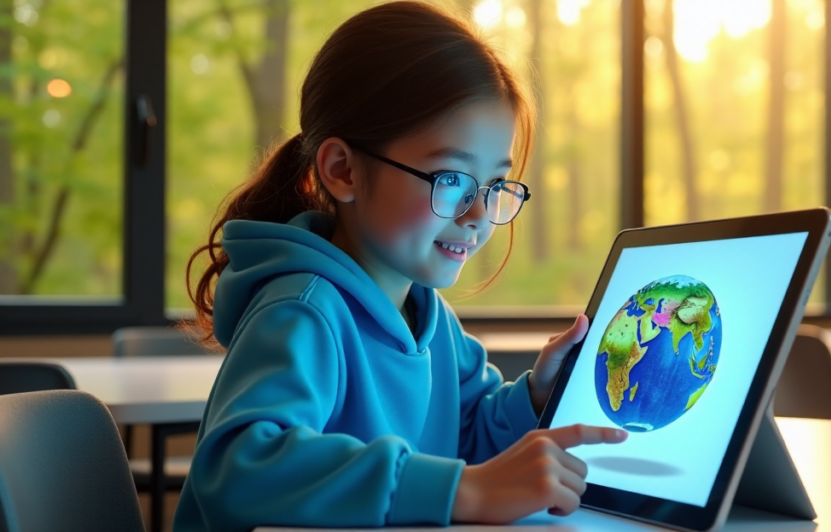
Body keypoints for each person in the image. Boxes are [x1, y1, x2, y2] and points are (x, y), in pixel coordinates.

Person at [172, 3, 627, 531]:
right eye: (451, 179)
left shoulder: (432, 322)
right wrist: (462, 490)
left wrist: (534, 397)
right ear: (343, 170)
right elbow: (238, 470)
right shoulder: (303, 313)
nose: (479, 214)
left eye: (496, 184)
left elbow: (468, 441)